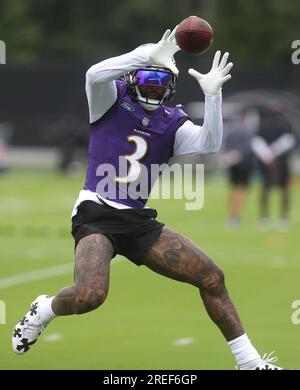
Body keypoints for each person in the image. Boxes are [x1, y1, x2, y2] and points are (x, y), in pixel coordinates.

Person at [13, 27, 283, 369]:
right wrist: (146, 55)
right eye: (147, 78)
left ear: (171, 86)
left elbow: (210, 143)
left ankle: (249, 363)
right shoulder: (109, 98)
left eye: (161, 81)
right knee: (91, 296)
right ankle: (45, 309)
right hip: (97, 211)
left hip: (138, 222)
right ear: (133, 77)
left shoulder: (172, 122)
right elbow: (94, 74)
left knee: (212, 277)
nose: (154, 87)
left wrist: (214, 97)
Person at [251, 105, 297, 230]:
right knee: (281, 189)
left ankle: (265, 217)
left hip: (267, 160)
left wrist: (268, 154)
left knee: (269, 188)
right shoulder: (284, 123)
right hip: (279, 160)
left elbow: (256, 141)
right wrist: (274, 153)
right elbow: (290, 140)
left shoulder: (263, 124)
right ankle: (282, 218)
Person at [223, 111, 256, 228]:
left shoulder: (231, 129)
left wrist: (229, 157)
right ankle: (235, 215)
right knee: (242, 190)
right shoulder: (248, 130)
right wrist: (238, 156)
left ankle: (231, 214)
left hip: (232, 163)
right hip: (244, 164)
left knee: (232, 189)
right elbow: (248, 148)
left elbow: (226, 146)